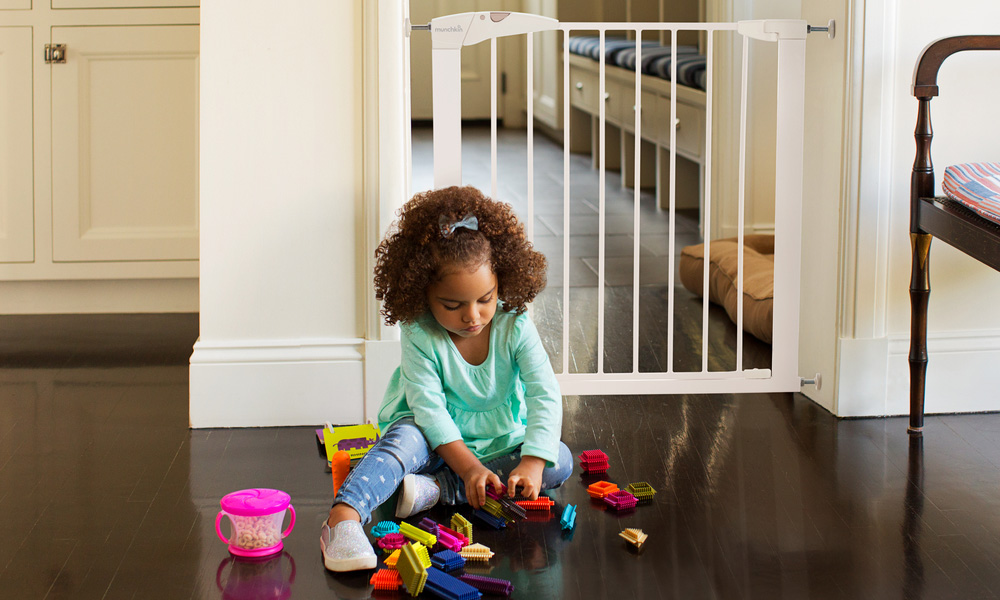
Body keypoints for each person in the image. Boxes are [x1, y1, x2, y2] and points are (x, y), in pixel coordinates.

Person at [320, 186, 573, 572]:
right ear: (423, 294)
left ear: (502, 281)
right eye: (453, 305)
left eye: (485, 298)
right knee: (402, 443)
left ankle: (437, 490)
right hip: (430, 435)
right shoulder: (419, 331)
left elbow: (544, 394)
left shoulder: (515, 325)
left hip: (495, 437)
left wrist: (534, 462)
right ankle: (344, 516)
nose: (473, 316)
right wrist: (470, 468)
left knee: (559, 462)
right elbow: (431, 412)